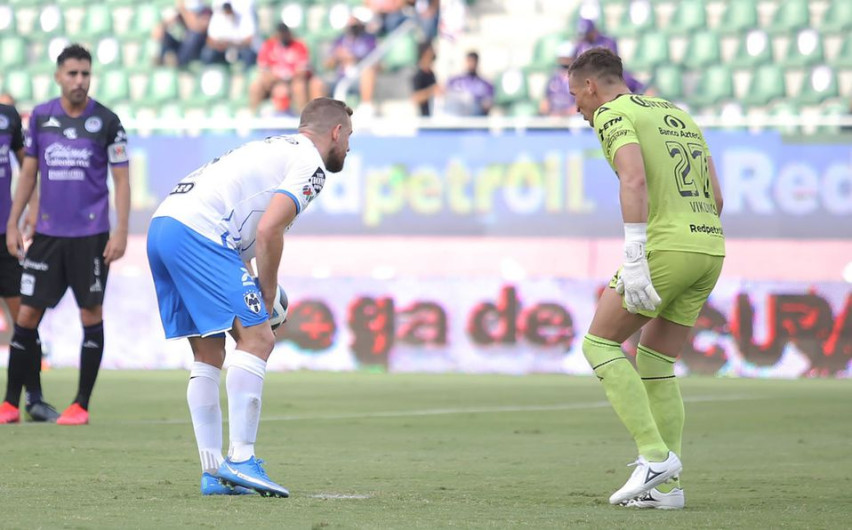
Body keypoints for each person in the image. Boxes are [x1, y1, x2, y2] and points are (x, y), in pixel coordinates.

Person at [146, 97, 353, 496]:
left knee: (209, 352)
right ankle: (241, 458)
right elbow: (268, 230)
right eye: (349, 138)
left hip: (164, 227)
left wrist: (255, 285)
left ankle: (213, 473)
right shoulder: (310, 164)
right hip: (200, 233)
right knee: (258, 339)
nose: (348, 147)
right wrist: (267, 292)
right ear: (336, 132)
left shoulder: (272, 147)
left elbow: (247, 228)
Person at [567, 48, 725, 509]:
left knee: (599, 344)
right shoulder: (678, 114)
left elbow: (633, 179)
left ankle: (654, 457)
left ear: (591, 86)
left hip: (664, 246)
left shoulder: (612, 113)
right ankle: (666, 490)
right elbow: (716, 197)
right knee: (656, 360)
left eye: (575, 96)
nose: (577, 107)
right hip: (709, 247)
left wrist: (635, 253)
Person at [1, 44, 131, 426]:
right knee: (27, 315)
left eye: (85, 74)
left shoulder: (108, 122)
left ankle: (81, 405)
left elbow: (122, 180)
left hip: (91, 236)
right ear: (58, 76)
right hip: (47, 235)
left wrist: (121, 231)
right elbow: (28, 173)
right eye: (72, 74)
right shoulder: (41, 118)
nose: (79, 81)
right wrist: (14, 221)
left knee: (90, 314)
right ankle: (10, 403)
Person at [249, 23, 318, 115]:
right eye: (280, 33)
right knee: (256, 86)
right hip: (273, 81)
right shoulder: (269, 45)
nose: (283, 36)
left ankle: (302, 116)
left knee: (299, 86)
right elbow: (263, 68)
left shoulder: (299, 45)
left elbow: (302, 70)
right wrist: (274, 78)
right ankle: (254, 115)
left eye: (285, 33)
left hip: (292, 80)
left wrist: (287, 78)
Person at [325, 16, 378, 112]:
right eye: (350, 25)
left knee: (368, 71)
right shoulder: (340, 40)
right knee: (317, 83)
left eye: (355, 24)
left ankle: (366, 106)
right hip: (342, 75)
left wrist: (353, 57)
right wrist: (337, 56)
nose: (352, 27)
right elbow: (328, 64)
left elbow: (374, 59)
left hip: (359, 75)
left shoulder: (368, 39)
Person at [153, 0, 212, 68]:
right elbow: (158, 32)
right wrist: (163, 25)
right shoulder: (181, 13)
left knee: (194, 36)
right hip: (183, 43)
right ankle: (162, 57)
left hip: (198, 48)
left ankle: (178, 61)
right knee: (166, 33)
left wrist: (184, 12)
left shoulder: (207, 12)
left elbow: (196, 27)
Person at [200, 1, 258, 68]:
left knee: (249, 54)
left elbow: (249, 40)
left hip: (239, 48)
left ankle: (248, 72)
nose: (227, 12)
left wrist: (231, 44)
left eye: (229, 10)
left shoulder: (244, 16)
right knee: (208, 53)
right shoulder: (218, 17)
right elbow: (209, 40)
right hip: (222, 50)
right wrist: (219, 44)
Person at [443, 51, 493, 117]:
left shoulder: (485, 84)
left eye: (473, 61)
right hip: (458, 116)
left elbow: (488, 103)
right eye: (469, 61)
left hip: (476, 116)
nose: (471, 64)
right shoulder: (455, 81)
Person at [540, 41, 577, 117]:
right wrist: (550, 114)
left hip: (571, 119)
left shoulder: (578, 79)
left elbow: (579, 107)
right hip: (553, 118)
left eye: (567, 58)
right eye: (562, 58)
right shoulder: (553, 78)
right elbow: (544, 103)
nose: (564, 61)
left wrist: (562, 114)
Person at [412, 42, 438, 117]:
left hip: (430, 117)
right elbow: (415, 98)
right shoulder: (416, 74)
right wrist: (432, 90)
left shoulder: (431, 74)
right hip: (421, 119)